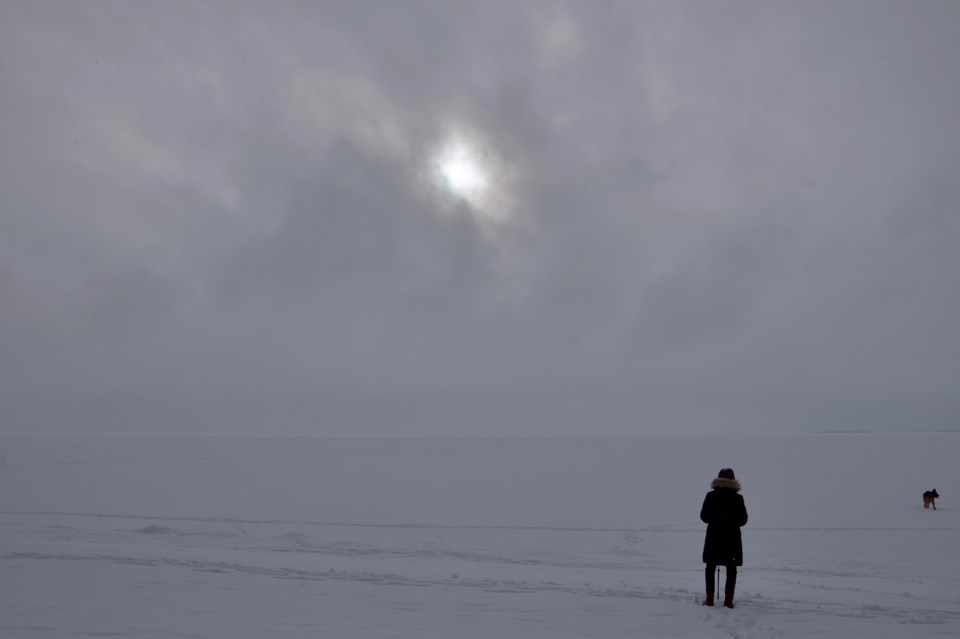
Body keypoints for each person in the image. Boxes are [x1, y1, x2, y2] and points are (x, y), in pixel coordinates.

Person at [700, 467, 748, 608]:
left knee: (711, 567)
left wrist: (717, 517)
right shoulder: (738, 498)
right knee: (731, 569)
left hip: (714, 538)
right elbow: (743, 520)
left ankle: (709, 601)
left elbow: (704, 517)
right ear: (733, 480)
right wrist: (730, 519)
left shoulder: (710, 496)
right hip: (731, 539)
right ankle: (728, 602)